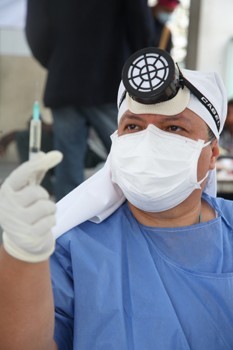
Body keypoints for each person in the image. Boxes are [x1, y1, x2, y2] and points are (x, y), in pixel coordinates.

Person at [0, 47, 233, 350]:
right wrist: (20, 256)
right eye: (133, 126)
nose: (148, 140)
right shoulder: (72, 249)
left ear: (212, 153)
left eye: (174, 127)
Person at [25, 0, 155, 201]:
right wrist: (137, 65)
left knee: (67, 169)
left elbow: (36, 30)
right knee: (130, 158)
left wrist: (56, 60)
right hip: (110, 79)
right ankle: (138, 222)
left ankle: (68, 228)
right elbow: (140, 23)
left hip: (64, 79)